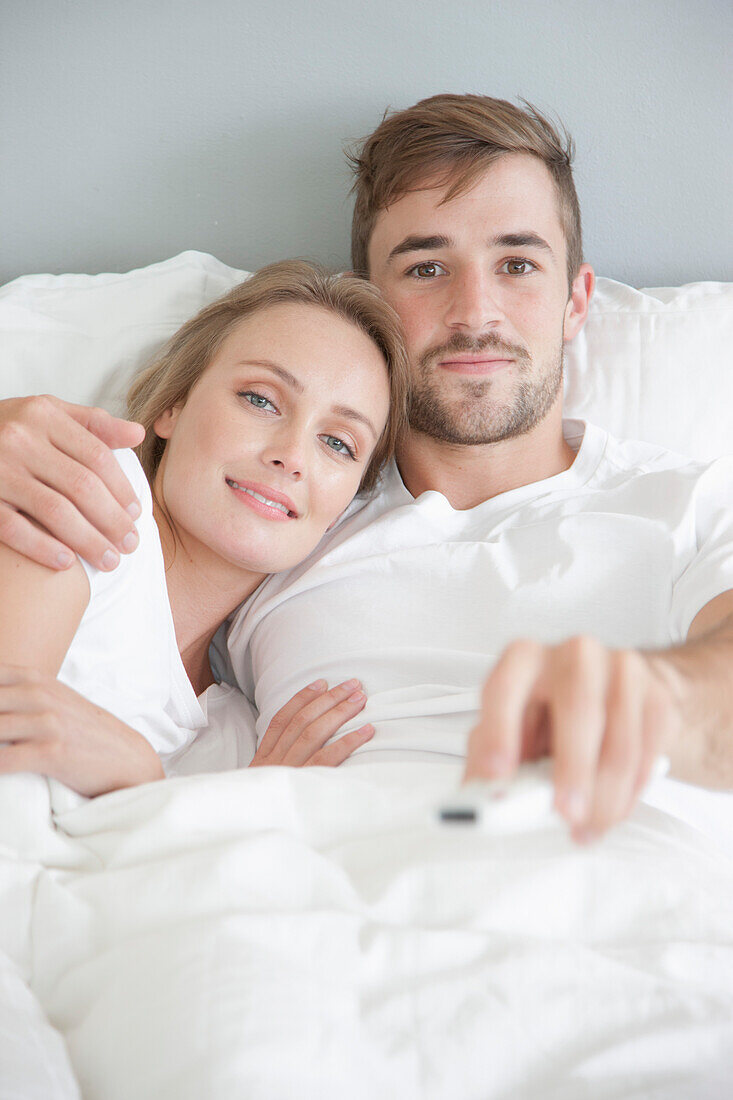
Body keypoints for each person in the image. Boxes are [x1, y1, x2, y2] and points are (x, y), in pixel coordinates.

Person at [0, 95, 731, 840]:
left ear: (577, 300)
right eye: (425, 266)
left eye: (516, 264)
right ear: (373, 300)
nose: (474, 310)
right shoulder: (286, 521)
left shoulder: (692, 502)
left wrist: (657, 700)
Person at [0, 259, 410, 795]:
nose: (291, 457)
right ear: (174, 406)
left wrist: (239, 810)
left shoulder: (241, 736)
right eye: (260, 400)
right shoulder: (88, 501)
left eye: (339, 443)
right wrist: (143, 780)